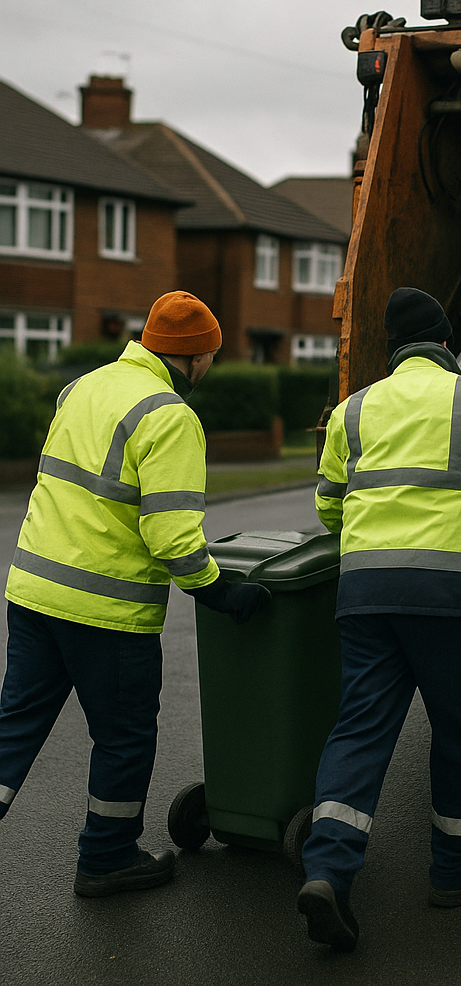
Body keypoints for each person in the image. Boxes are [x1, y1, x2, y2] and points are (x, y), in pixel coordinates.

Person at [298, 287, 461, 950]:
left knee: (359, 730)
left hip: (366, 594)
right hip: (450, 596)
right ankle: (457, 871)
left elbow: (329, 506)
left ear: (392, 351)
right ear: (447, 343)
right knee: (459, 734)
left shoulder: (353, 411)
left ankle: (327, 869)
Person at [0, 291, 268, 898]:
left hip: (34, 591)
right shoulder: (169, 416)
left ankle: (107, 851)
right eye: (211, 358)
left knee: (14, 726)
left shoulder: (84, 387)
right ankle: (108, 856)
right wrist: (219, 591)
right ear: (196, 357)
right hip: (107, 612)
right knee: (123, 736)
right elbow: (171, 533)